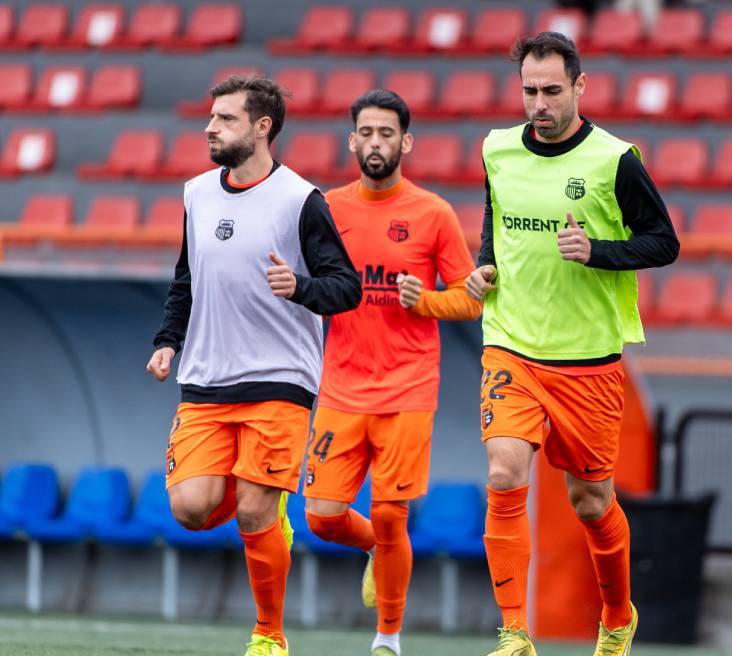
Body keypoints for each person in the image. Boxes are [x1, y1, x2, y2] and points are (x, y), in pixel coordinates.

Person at [465, 32, 679, 656]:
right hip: (511, 345)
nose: (540, 103)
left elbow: (663, 242)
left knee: (591, 503)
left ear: (580, 86)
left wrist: (599, 252)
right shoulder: (497, 149)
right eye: (530, 90)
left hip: (587, 361)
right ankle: (514, 632)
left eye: (552, 90)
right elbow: (496, 220)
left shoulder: (615, 160)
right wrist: (485, 266)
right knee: (504, 472)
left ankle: (617, 616)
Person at [146, 75, 361, 656]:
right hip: (206, 380)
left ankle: (269, 636)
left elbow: (347, 288)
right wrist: (168, 340)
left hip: (280, 379)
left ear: (262, 127)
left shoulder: (300, 199)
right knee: (190, 509)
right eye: (211, 117)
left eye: (225, 118)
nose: (210, 127)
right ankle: (265, 512)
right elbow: (186, 280)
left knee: (251, 509)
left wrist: (300, 288)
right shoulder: (196, 193)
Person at [301, 89, 482, 656]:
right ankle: (378, 550)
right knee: (322, 517)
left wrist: (424, 301)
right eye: (366, 133)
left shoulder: (433, 214)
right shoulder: (326, 209)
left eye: (387, 134)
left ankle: (388, 637)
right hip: (341, 384)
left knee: (389, 510)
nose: (375, 143)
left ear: (406, 142)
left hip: (408, 386)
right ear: (351, 140)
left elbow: (470, 300)